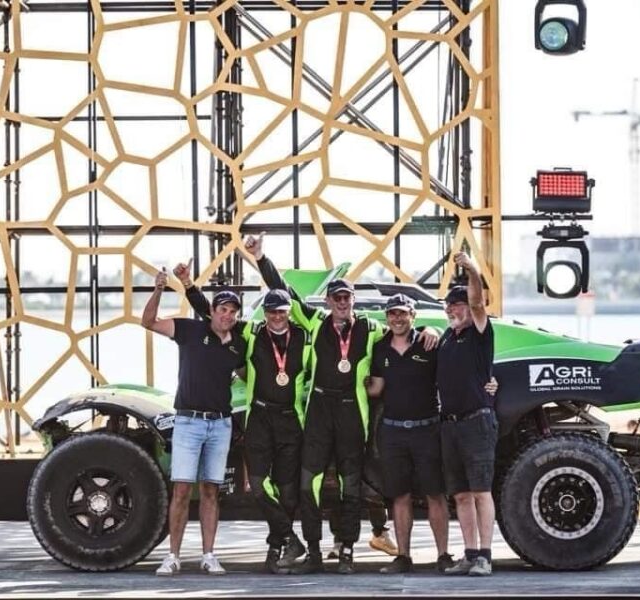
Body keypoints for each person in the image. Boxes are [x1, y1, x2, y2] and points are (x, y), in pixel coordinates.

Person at [245, 233, 437, 574]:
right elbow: (284, 291)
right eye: (336, 298)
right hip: (319, 410)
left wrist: (428, 329)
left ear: (353, 301)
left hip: (351, 412)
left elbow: (401, 329)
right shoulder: (315, 322)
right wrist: (261, 258)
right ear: (329, 301)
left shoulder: (370, 328)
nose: (342, 303)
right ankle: (314, 551)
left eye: (347, 297)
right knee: (309, 484)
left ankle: (347, 549)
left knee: (351, 485)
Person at [176, 261, 309, 574]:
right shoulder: (252, 331)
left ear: (289, 312)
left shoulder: (305, 336)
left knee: (287, 491)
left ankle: (277, 547)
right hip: (260, 418)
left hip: (291, 421)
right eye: (271, 311)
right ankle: (290, 539)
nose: (276, 316)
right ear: (265, 313)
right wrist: (188, 285)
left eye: (282, 311)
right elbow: (210, 313)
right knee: (259, 486)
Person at [141, 267, 245, 577]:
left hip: (221, 424)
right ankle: (172, 556)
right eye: (223, 309)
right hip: (188, 422)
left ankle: (209, 555)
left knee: (211, 491)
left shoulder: (238, 345)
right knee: (182, 491)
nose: (227, 315)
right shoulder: (189, 330)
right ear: (212, 310)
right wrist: (159, 289)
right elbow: (148, 322)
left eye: (232, 311)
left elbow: (246, 374)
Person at [366, 293, 453, 574]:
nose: (397, 318)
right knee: (399, 496)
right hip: (392, 432)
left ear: (413, 316)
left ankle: (443, 555)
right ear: (387, 317)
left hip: (427, 429)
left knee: (435, 494)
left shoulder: (429, 343)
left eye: (403, 313)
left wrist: (435, 330)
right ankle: (403, 556)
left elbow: (455, 372)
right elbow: (376, 388)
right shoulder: (380, 348)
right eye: (392, 313)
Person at [437, 251, 497, 577]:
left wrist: (472, 269)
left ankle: (485, 556)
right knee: (460, 495)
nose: (452, 310)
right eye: (448, 306)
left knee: (481, 492)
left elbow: (477, 303)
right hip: (450, 425)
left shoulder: (479, 332)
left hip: (477, 421)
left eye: (457, 305)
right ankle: (470, 554)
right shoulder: (448, 336)